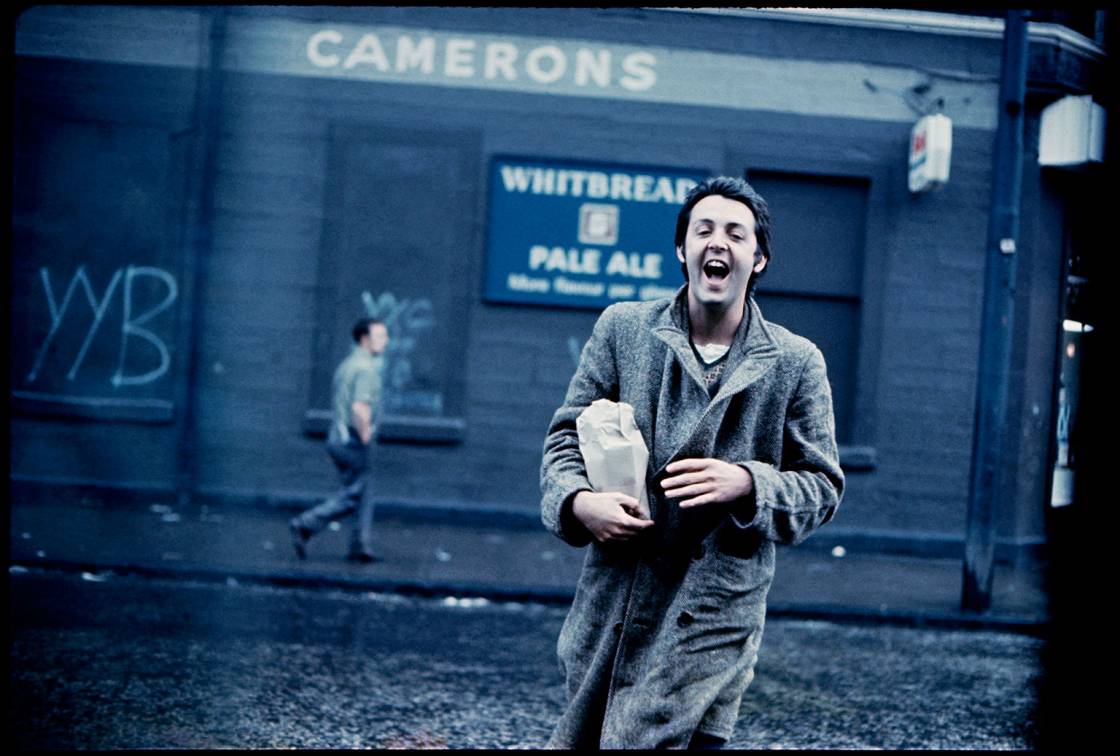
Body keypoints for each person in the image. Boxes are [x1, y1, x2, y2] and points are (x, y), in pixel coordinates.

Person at [540, 176, 844, 749]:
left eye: (736, 233)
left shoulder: (796, 362)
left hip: (713, 610)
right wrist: (581, 504)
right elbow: (565, 438)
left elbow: (822, 486)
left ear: (758, 260)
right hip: (617, 600)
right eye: (703, 230)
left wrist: (748, 483)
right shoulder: (623, 329)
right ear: (682, 250)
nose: (718, 243)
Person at [290, 317, 389, 563]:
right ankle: (305, 524)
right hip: (353, 440)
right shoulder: (366, 369)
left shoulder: (348, 364)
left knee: (364, 492)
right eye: (380, 336)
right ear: (365, 339)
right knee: (354, 494)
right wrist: (365, 435)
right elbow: (359, 407)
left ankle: (360, 545)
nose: (386, 341)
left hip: (337, 438)